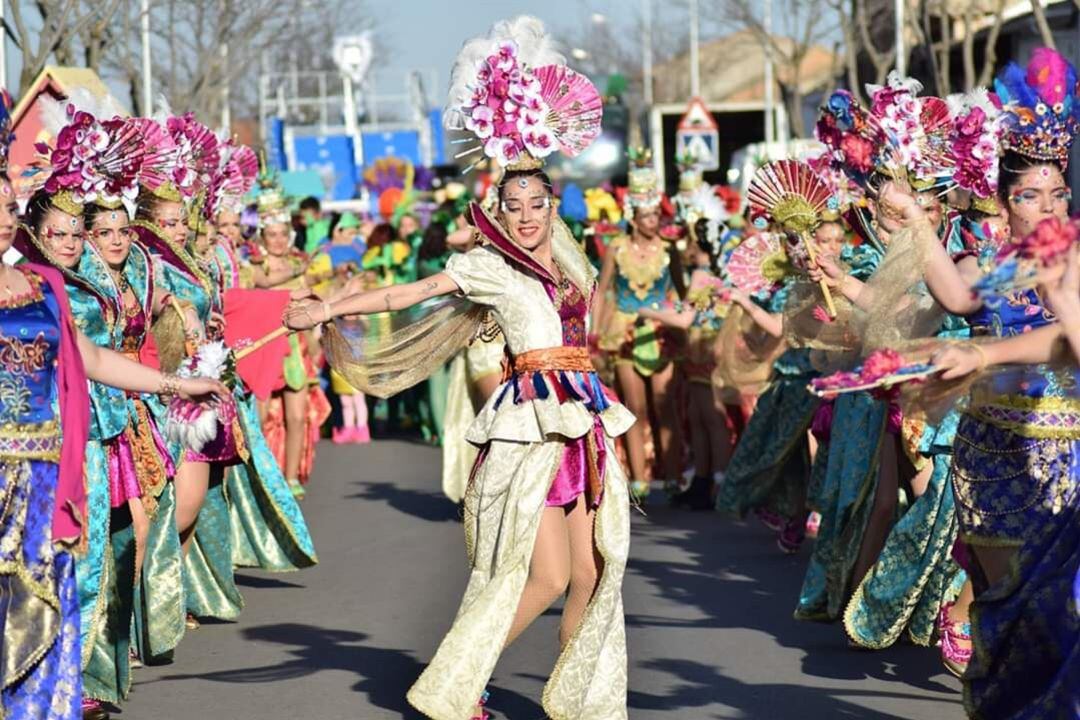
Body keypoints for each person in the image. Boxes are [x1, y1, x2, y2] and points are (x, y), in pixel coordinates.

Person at [285, 18, 631, 719]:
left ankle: (581, 702)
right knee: (547, 576)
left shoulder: (566, 253)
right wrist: (326, 310)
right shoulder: (488, 266)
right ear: (493, 210)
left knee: (595, 575)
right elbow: (408, 293)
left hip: (583, 419)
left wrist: (526, 145)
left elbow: (586, 283)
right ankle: (461, 680)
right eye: (514, 205)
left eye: (538, 203)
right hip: (533, 425)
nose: (528, 215)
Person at [0, 101, 225, 719]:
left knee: (45, 600)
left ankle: (60, 696)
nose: (1, 219)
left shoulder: (43, 288)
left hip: (45, 468)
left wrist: (176, 385)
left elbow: (94, 358)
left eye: (7, 206)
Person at [593, 148, 684, 499]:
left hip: (661, 332)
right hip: (625, 332)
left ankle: (674, 477)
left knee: (665, 408)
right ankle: (639, 479)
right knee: (634, 410)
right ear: (633, 218)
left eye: (656, 216)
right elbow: (603, 290)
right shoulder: (616, 248)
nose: (653, 222)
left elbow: (681, 289)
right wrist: (596, 334)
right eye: (646, 216)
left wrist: (684, 323)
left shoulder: (669, 249)